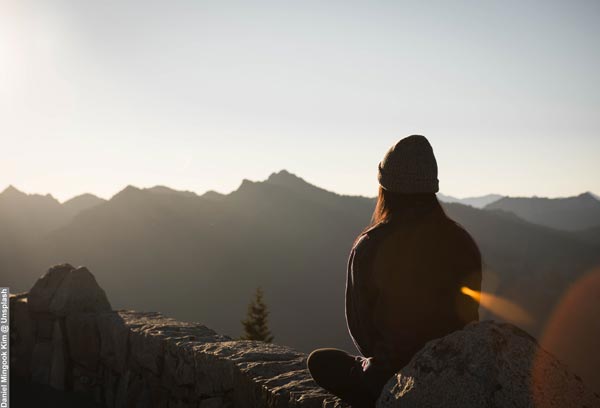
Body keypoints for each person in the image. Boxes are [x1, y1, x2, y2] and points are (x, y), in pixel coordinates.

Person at [307, 135, 482, 407]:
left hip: (392, 376)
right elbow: (470, 317)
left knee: (321, 361)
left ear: (385, 189)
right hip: (455, 369)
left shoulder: (370, 246)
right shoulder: (462, 242)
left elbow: (362, 331)